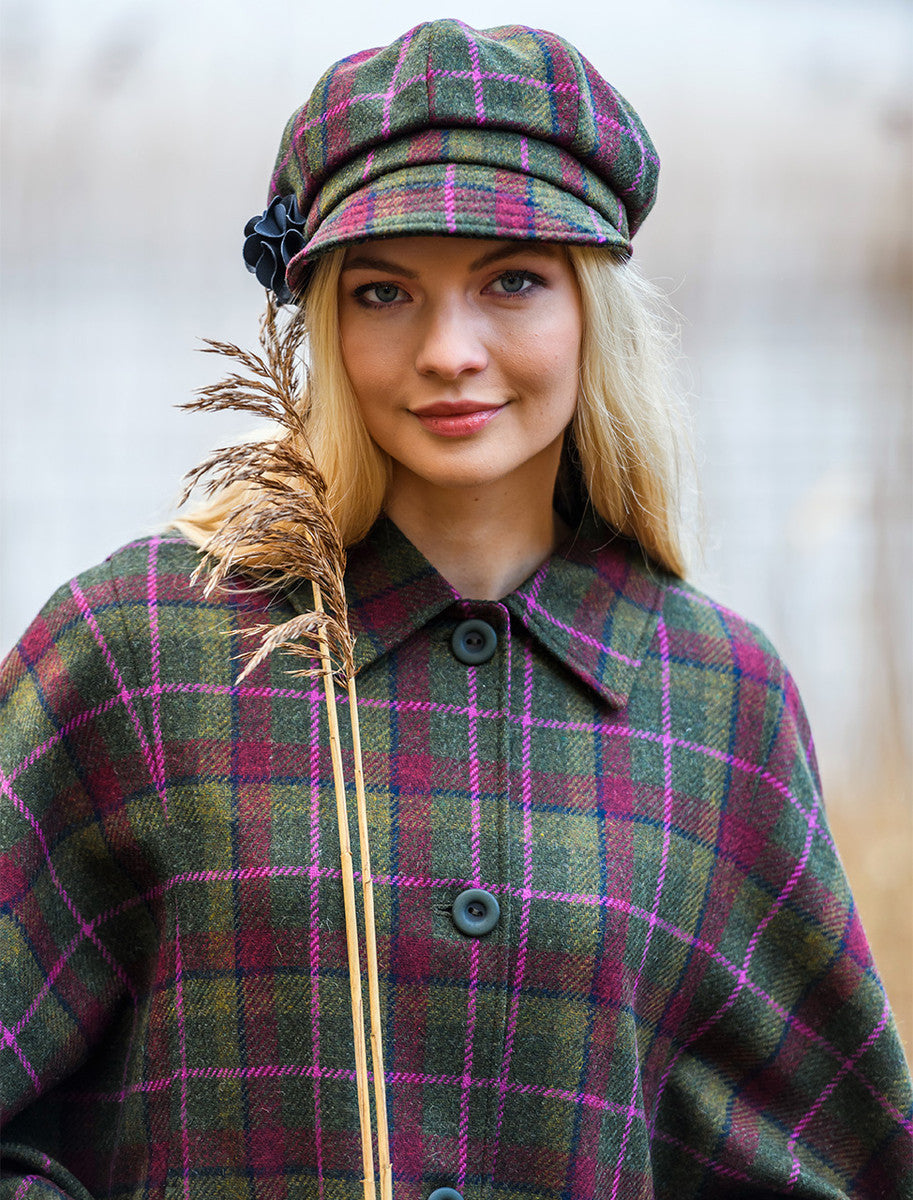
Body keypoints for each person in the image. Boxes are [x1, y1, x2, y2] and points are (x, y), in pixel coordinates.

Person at [1, 20, 910, 1200]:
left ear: (592, 309)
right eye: (385, 292)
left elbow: (842, 1166)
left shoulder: (716, 694)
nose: (448, 351)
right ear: (326, 319)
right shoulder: (136, 654)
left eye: (511, 282)